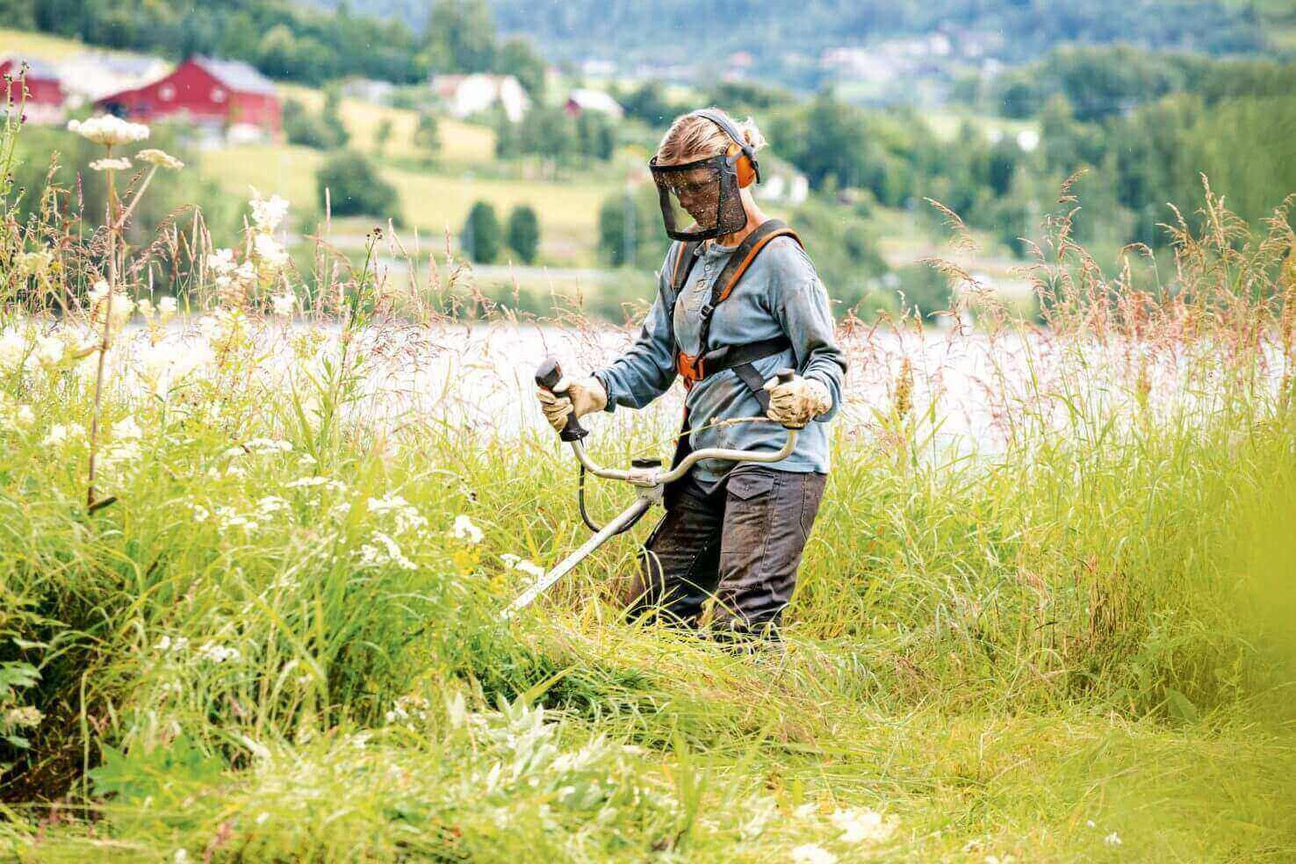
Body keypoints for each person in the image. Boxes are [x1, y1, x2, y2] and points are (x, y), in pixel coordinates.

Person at [537, 108, 846, 638]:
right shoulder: (683, 260)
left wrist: (809, 395)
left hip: (774, 464)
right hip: (702, 464)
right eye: (679, 188)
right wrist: (591, 391)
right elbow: (655, 357)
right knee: (650, 617)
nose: (689, 201)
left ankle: (758, 719)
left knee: (739, 627)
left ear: (739, 174)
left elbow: (828, 362)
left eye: (700, 187)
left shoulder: (781, 260)